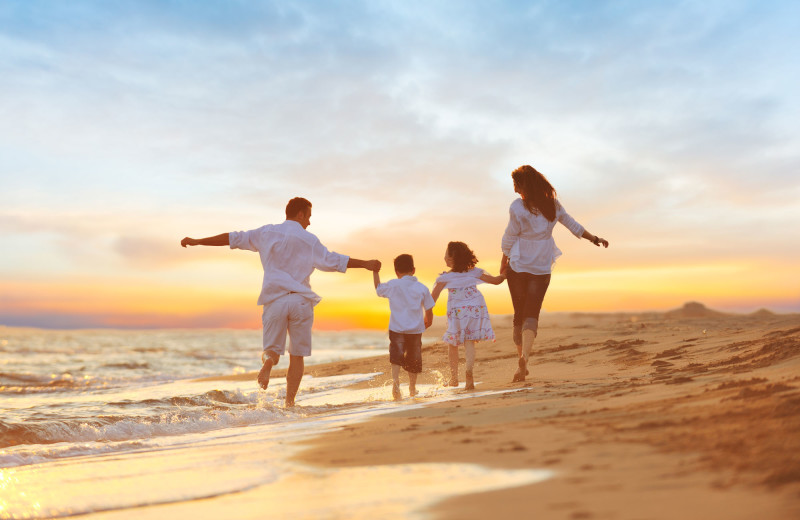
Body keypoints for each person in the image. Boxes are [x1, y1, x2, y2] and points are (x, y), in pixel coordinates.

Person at [180, 197, 380, 407]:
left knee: (272, 351)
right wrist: (365, 263)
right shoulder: (310, 240)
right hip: (301, 301)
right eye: (309, 217)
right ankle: (289, 403)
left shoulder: (265, 233)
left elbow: (231, 238)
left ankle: (268, 363)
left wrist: (197, 240)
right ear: (300, 214)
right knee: (297, 356)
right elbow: (333, 260)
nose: (309, 222)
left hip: (275, 300)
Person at [500, 165, 609, 382]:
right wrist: (594, 238)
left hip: (519, 264)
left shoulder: (517, 208)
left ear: (524, 185)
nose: (514, 190)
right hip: (541, 266)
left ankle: (519, 359)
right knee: (532, 314)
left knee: (518, 314)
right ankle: (526, 360)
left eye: (516, 185)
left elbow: (509, 237)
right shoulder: (553, 206)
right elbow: (573, 225)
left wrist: (503, 262)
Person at [431, 241, 505, 390]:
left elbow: (431, 300)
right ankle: (469, 372)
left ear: (452, 258)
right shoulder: (474, 272)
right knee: (470, 341)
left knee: (453, 344)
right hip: (475, 308)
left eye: (446, 255)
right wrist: (505, 273)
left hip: (458, 311)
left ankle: (454, 378)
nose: (444, 258)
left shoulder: (444, 278)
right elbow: (497, 281)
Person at [373, 254, 435, 400]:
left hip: (396, 328)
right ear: (413, 270)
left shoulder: (393, 284)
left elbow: (378, 288)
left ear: (396, 271)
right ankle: (412, 388)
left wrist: (375, 272)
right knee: (413, 358)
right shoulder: (421, 287)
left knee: (396, 357)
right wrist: (429, 320)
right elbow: (429, 308)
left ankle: (395, 384)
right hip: (415, 330)